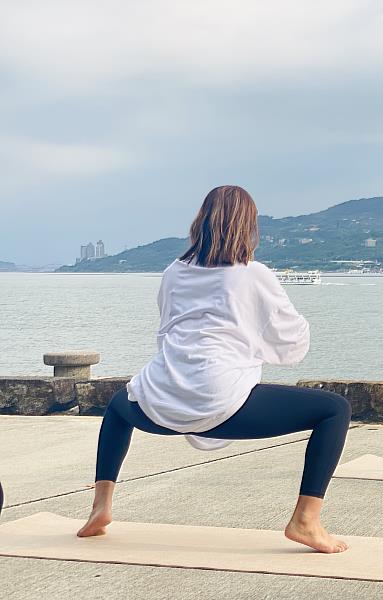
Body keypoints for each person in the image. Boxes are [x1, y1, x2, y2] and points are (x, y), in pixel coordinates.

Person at [77, 185, 352, 552]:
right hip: (223, 403)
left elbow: (166, 329)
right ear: (248, 227)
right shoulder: (253, 274)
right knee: (335, 409)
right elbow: (293, 341)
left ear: (201, 221)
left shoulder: (175, 271)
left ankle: (100, 508)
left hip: (158, 401)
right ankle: (306, 520)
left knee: (117, 405)